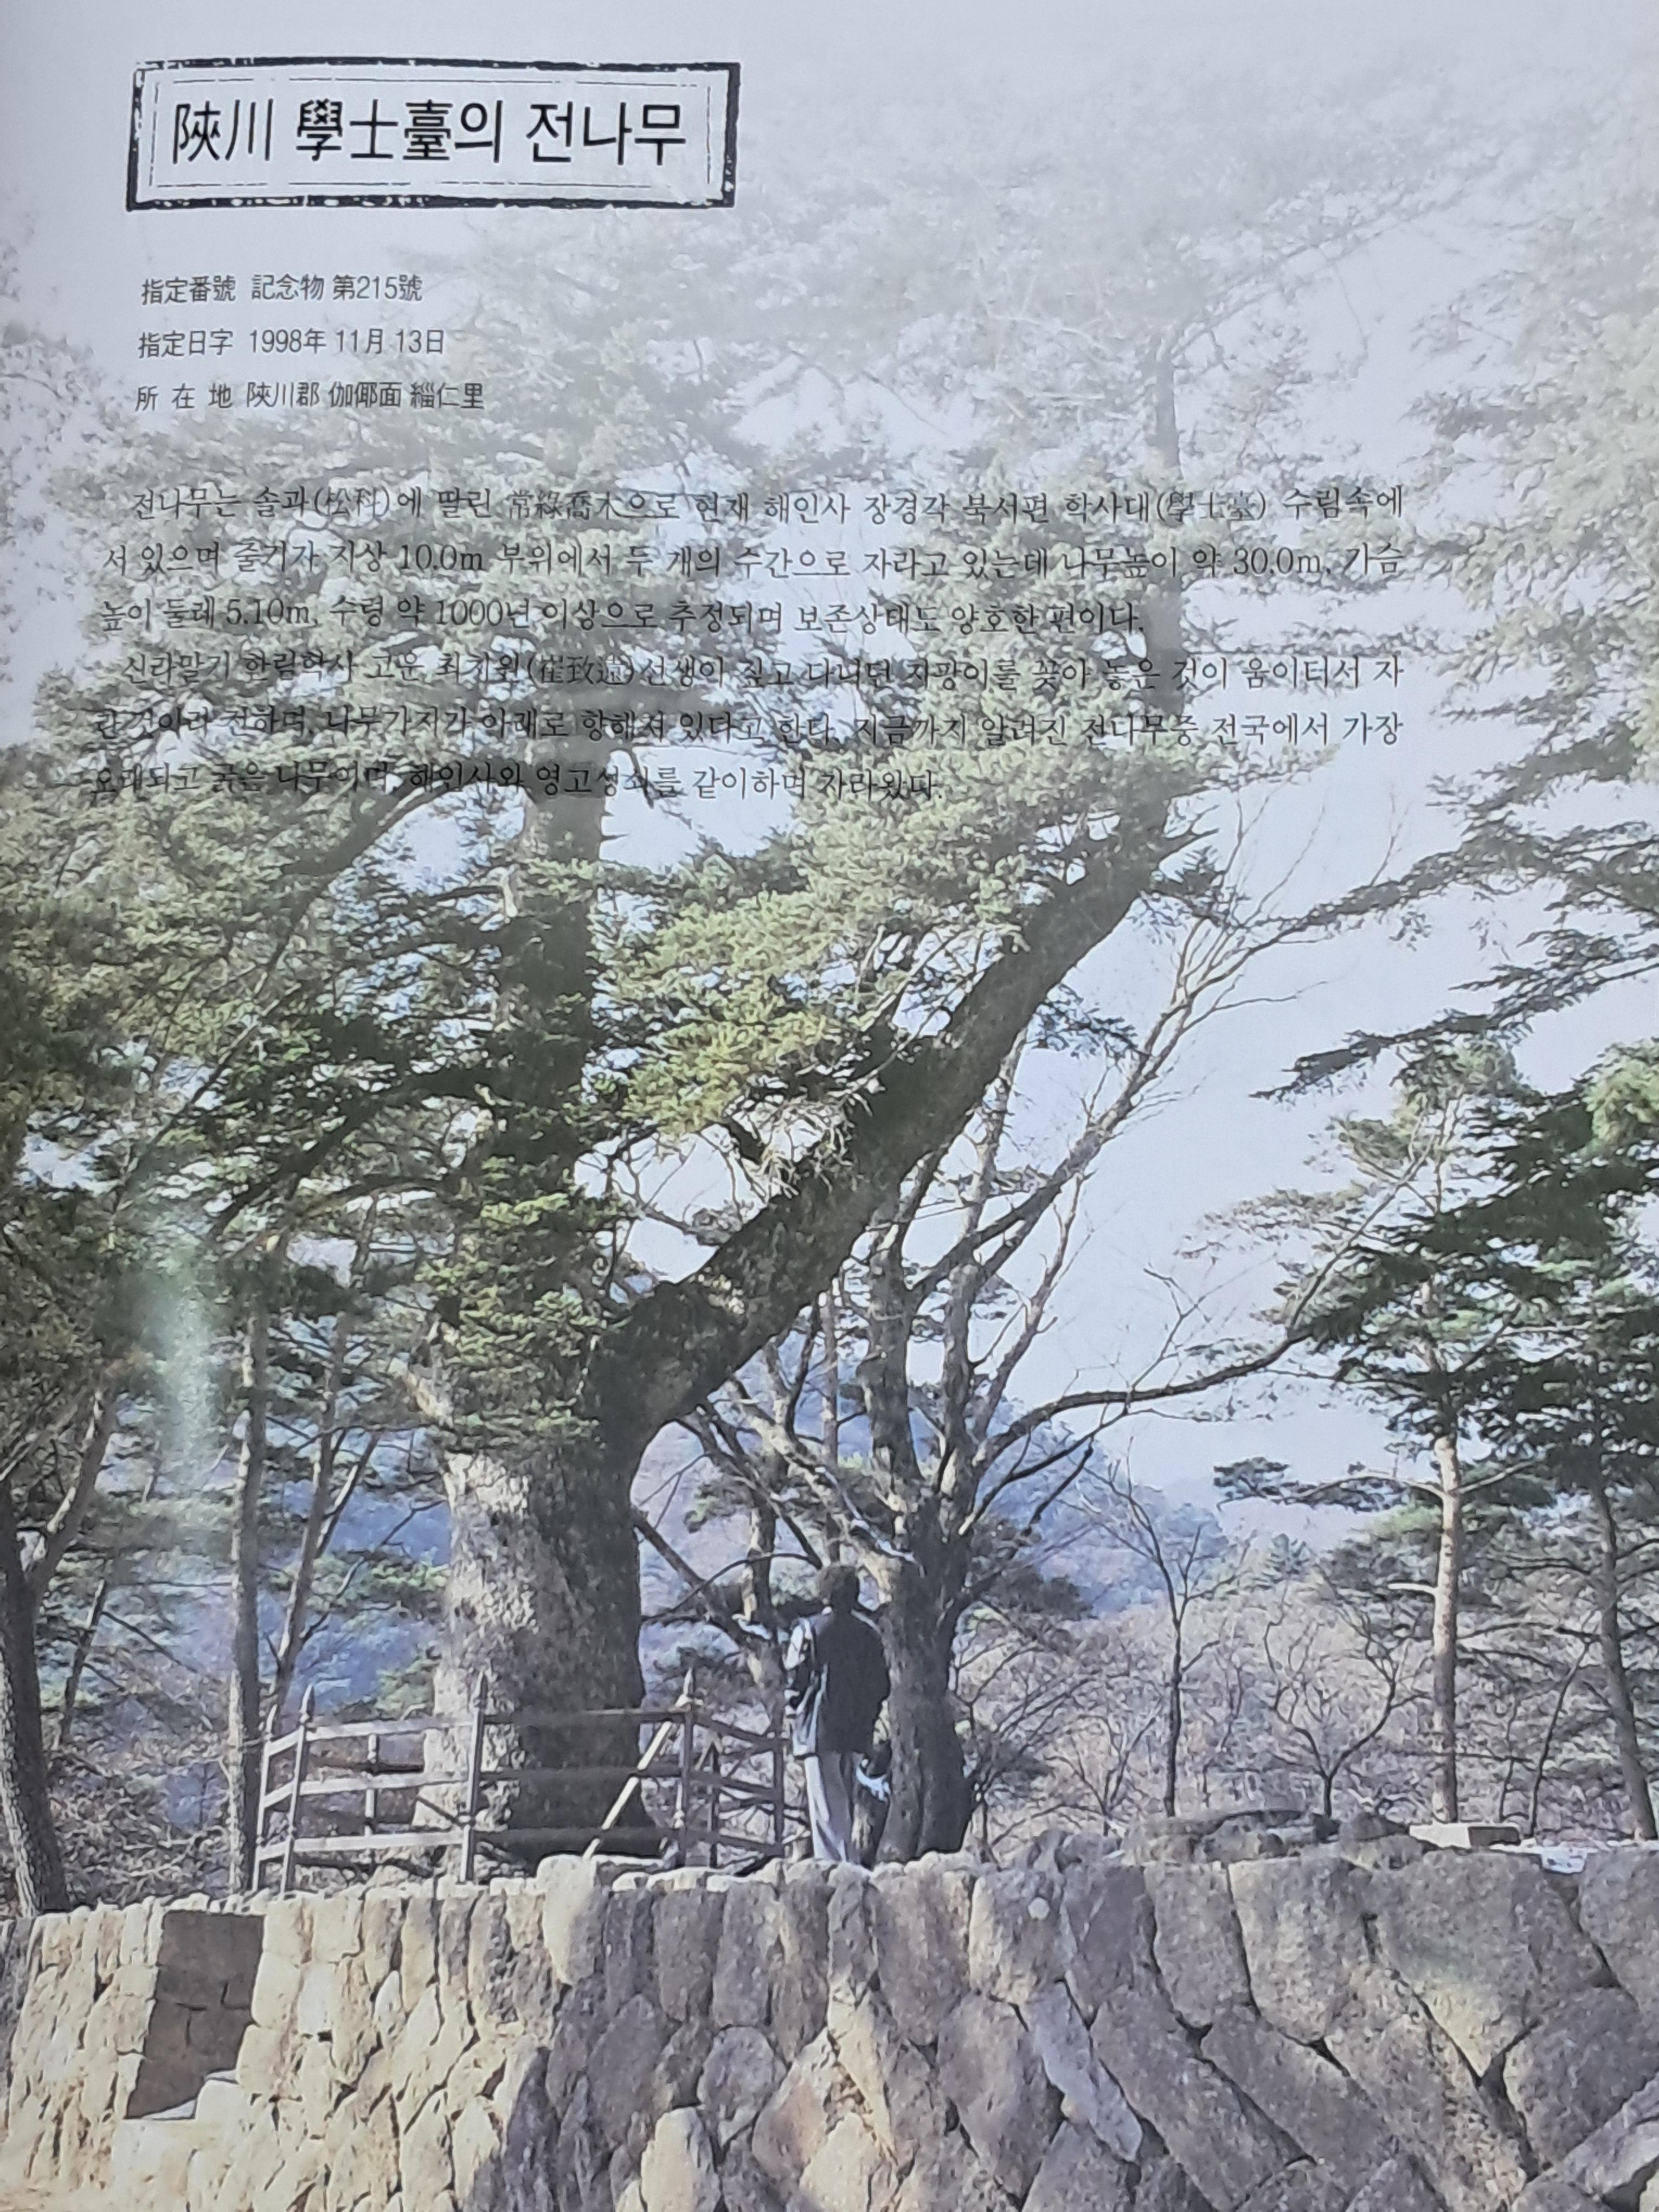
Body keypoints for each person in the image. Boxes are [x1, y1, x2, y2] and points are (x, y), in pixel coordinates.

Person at [784, 1562, 890, 1863]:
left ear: (823, 1594)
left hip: (818, 1731)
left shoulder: (808, 1631)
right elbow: (881, 1686)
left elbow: (795, 1682)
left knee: (827, 1809)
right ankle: (846, 1865)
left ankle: (837, 1871)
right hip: (856, 1733)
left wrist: (794, 1711)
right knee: (844, 1802)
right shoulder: (870, 1635)